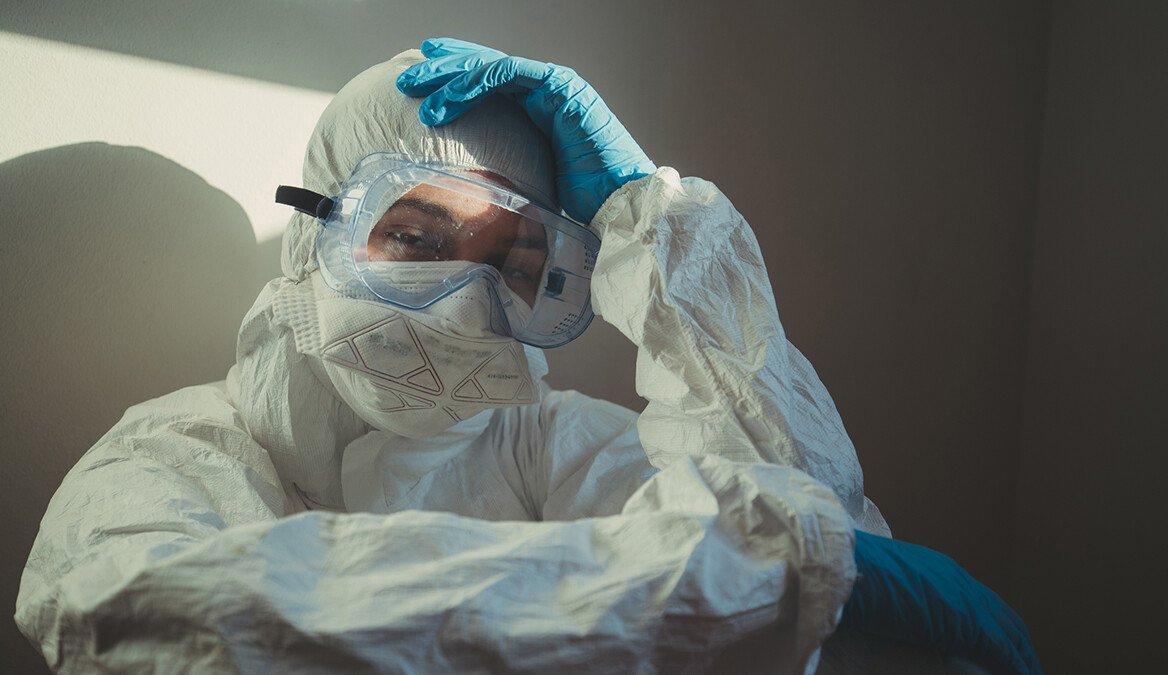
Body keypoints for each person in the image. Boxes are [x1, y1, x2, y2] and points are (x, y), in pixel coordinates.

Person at [16, 38, 1038, 673]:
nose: (466, 311)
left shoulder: (540, 446)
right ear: (312, 235)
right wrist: (752, 583)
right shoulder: (161, 468)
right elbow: (211, 627)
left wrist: (657, 230)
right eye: (415, 239)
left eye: (515, 266)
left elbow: (807, 534)